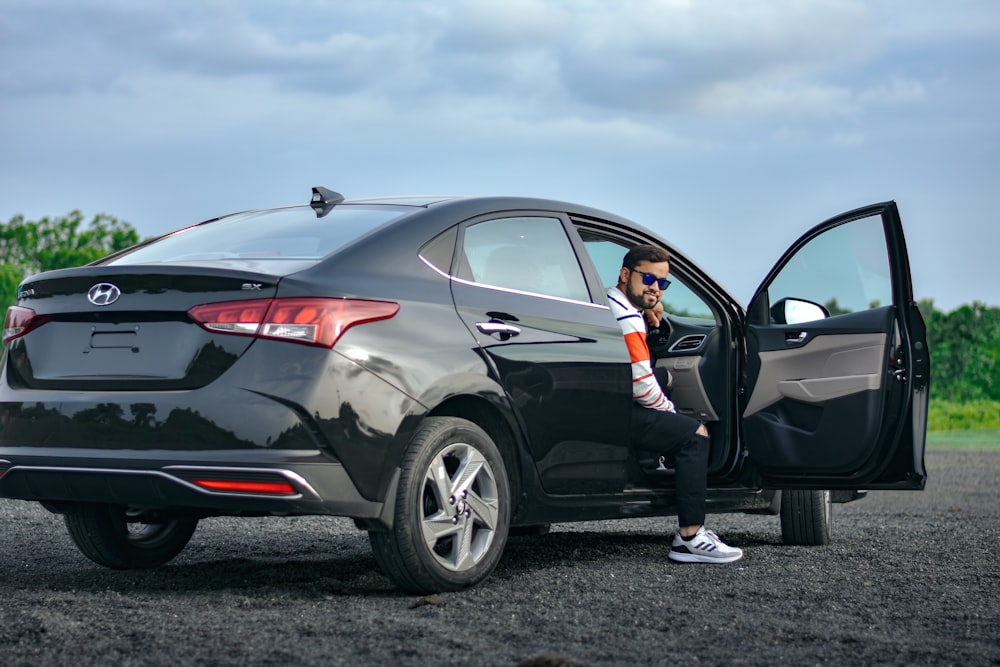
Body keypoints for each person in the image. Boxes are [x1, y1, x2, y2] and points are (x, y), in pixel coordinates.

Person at [606, 244, 743, 564]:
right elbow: (641, 387)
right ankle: (690, 537)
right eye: (648, 279)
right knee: (694, 434)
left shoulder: (611, 302)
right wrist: (673, 413)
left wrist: (648, 316)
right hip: (616, 411)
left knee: (665, 384)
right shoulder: (627, 318)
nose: (655, 288)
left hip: (601, 400)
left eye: (662, 283)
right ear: (626, 274)